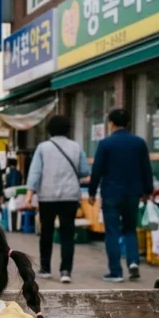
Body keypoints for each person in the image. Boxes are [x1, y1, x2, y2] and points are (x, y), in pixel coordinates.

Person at [23, 115, 91, 284]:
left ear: (49, 130)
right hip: (70, 196)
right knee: (68, 233)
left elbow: (35, 173)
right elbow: (84, 170)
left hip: (47, 196)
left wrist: (29, 196)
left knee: (46, 231)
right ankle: (66, 271)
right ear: (68, 130)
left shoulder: (43, 148)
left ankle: (45, 269)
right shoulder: (76, 147)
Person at [88, 109, 153, 282]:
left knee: (112, 232)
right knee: (130, 229)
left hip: (111, 193)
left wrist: (92, 192)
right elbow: (146, 169)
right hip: (133, 193)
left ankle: (115, 271)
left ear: (111, 123)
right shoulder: (139, 143)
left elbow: (97, 170)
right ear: (128, 123)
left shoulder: (105, 144)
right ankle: (133, 262)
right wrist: (147, 190)